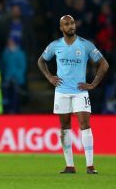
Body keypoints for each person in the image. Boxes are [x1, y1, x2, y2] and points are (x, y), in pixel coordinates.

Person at [37, 15, 109, 174]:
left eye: (72, 23)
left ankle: (90, 166)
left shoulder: (85, 45)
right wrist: (49, 77)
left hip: (79, 91)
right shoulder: (55, 45)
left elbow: (104, 64)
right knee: (64, 127)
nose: (71, 26)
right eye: (67, 24)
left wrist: (93, 84)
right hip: (61, 92)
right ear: (61, 28)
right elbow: (41, 61)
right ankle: (70, 166)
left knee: (84, 124)